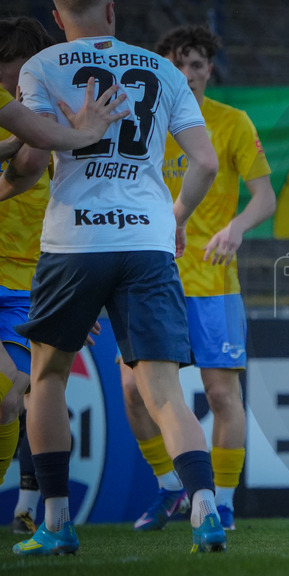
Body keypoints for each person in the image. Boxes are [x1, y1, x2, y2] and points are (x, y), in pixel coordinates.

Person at [10, 0, 226, 555]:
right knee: (164, 392)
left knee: (47, 379)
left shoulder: (42, 66)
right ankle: (205, 509)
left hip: (74, 242)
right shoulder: (163, 69)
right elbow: (205, 162)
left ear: (57, 17)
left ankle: (55, 522)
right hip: (147, 242)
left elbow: (32, 161)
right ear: (111, 9)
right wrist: (177, 217)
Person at [120, 24, 276, 532]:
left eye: (196, 65)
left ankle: (223, 503)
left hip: (212, 282)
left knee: (222, 395)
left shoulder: (231, 122)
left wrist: (237, 226)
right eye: (177, 64)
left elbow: (265, 197)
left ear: (209, 69)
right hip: (148, 277)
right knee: (133, 391)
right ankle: (171, 489)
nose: (187, 75)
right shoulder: (140, 121)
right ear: (162, 69)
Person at [0, 16, 57, 537]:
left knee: (16, 400)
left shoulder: (54, 116)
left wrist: (73, 290)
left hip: (30, 285)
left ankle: (29, 506)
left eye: (14, 69)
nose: (8, 80)